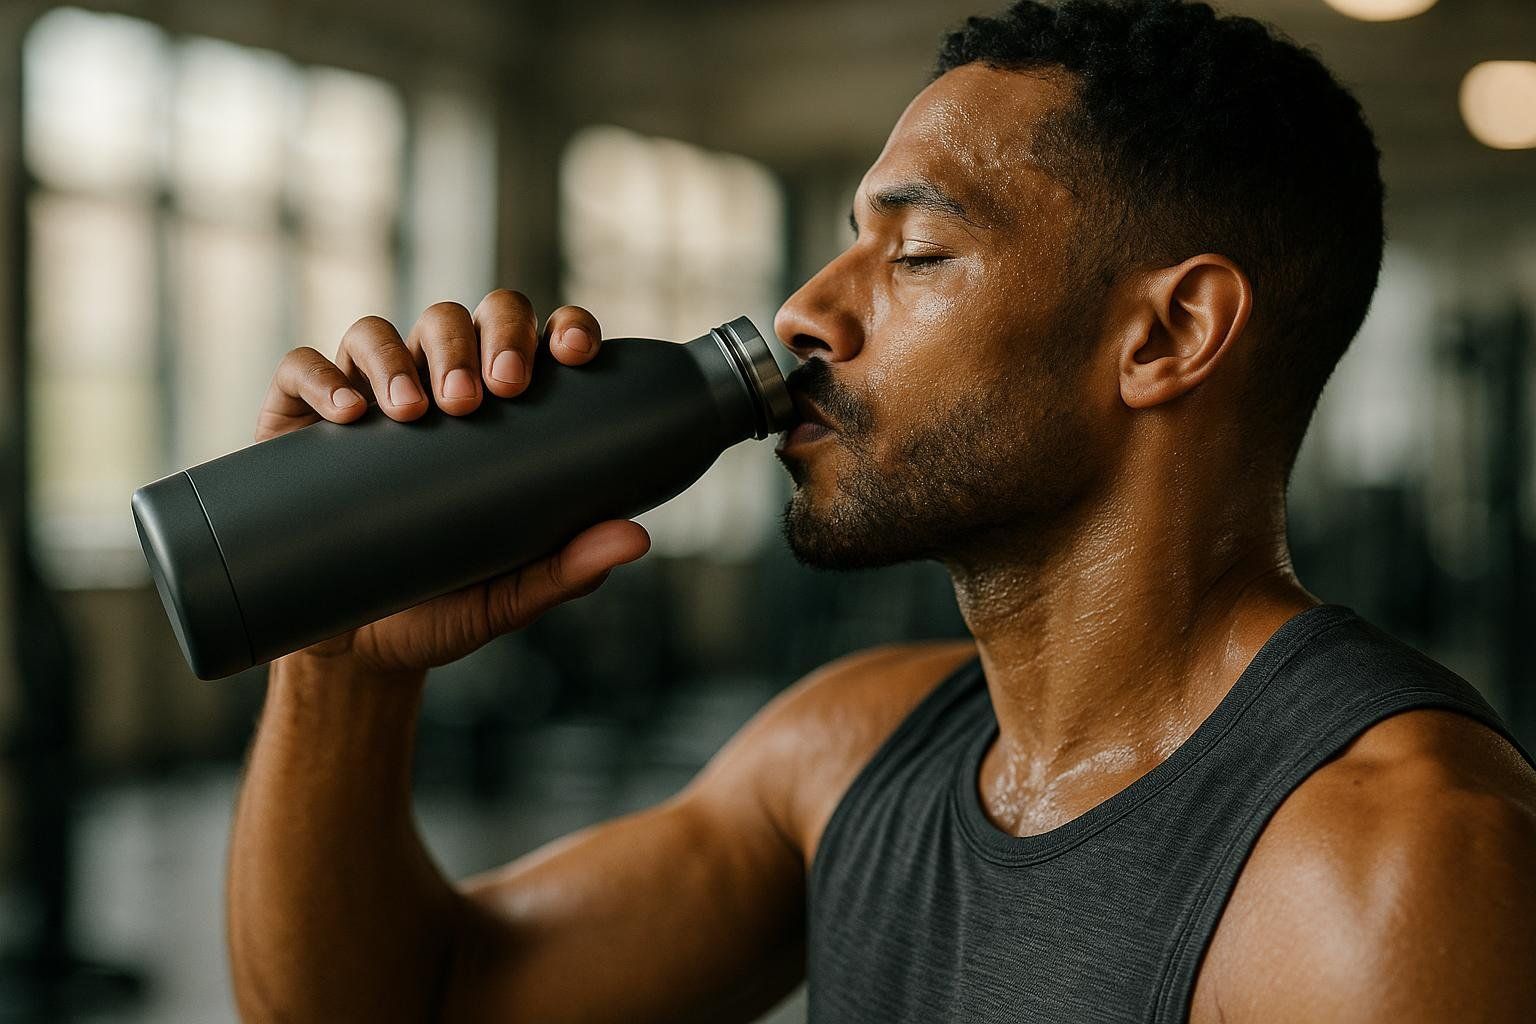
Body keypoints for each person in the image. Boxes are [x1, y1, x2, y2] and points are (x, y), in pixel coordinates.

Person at [226, 1, 1536, 1021]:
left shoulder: (1391, 865)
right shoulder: (843, 751)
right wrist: (341, 662)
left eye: (916, 255)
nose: (806, 308)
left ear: (1168, 334)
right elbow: (413, 1002)